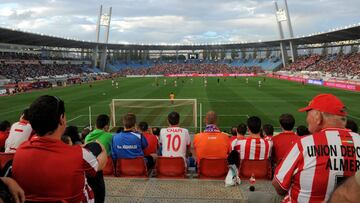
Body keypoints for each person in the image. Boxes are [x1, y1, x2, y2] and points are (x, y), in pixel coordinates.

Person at [12, 95, 107, 202]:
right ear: (61, 119)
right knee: (94, 170)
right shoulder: (79, 155)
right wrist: (101, 148)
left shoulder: (20, 151)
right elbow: (101, 164)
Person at [272, 93, 360, 203]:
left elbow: (279, 185)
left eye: (308, 113)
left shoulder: (305, 143)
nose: (307, 119)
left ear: (318, 117)